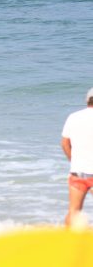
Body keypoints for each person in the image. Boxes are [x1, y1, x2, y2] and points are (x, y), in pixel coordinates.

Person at [61, 87, 93, 226]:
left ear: (87, 100)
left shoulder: (73, 117)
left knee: (74, 211)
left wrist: (73, 161)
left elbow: (65, 143)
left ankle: (67, 243)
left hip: (78, 173)